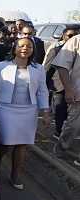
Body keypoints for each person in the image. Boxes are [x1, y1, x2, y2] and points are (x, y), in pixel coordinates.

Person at [0, 37, 50, 190]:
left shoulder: (39, 68)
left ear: (33, 49)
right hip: (6, 109)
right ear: (14, 48)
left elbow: (42, 91)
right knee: (6, 142)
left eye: (29, 46)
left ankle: (15, 175)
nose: (25, 48)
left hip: (28, 110)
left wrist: (45, 111)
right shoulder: (2, 66)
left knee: (22, 143)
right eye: (21, 46)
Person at [43, 27, 79, 138]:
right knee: (60, 110)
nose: (71, 37)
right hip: (59, 85)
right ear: (63, 36)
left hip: (74, 87)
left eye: (74, 35)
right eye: (69, 35)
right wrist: (46, 85)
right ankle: (59, 134)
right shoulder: (56, 49)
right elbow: (47, 68)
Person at [52, 33, 80, 166]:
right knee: (73, 126)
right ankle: (61, 149)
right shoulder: (76, 40)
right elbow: (62, 66)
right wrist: (68, 89)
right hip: (78, 94)